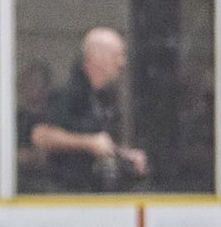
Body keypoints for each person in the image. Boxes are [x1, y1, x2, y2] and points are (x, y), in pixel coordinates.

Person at [32, 27, 148, 191]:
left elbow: (101, 143)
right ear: (96, 57)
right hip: (67, 192)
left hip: (96, 190)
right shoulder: (68, 93)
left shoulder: (105, 98)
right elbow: (41, 136)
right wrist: (88, 143)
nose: (122, 63)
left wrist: (124, 155)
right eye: (117, 56)